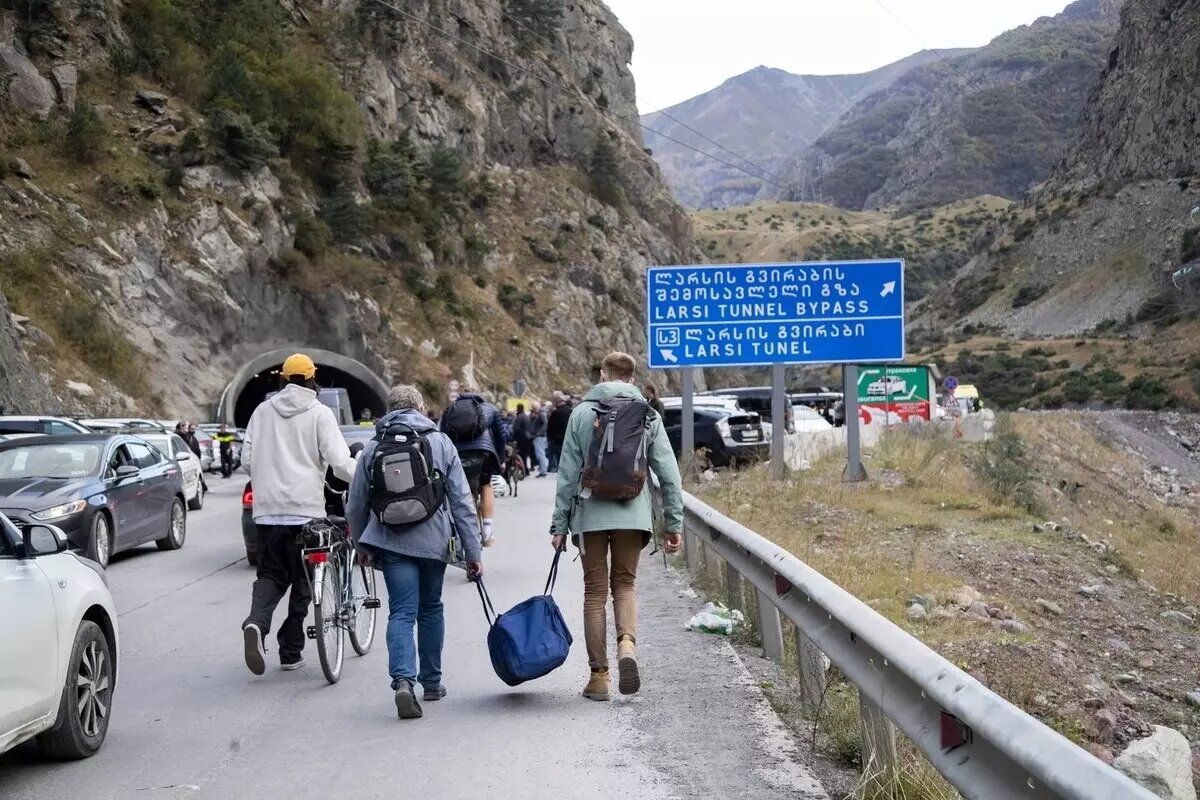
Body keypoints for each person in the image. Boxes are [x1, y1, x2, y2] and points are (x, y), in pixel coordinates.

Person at [550, 352, 683, 702]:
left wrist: (559, 525)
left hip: (589, 513)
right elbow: (669, 474)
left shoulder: (581, 414)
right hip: (632, 513)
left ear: (602, 373)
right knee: (624, 585)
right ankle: (627, 645)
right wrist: (673, 523)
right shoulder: (648, 414)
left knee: (594, 593)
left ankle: (599, 677)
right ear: (633, 379)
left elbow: (567, 475)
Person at [347, 384, 483, 720]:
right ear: (420, 407)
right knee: (431, 607)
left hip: (390, 540)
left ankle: (403, 681)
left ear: (389, 408)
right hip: (433, 541)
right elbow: (462, 501)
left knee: (401, 612)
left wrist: (360, 542)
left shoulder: (374, 446)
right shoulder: (439, 442)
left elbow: (356, 502)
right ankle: (432, 683)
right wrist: (473, 551)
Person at [240, 353, 356, 675]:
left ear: (282, 379)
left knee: (271, 576)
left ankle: (256, 623)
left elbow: (246, 462)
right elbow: (339, 462)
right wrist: (364, 477)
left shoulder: (262, 412)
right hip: (306, 513)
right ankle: (290, 652)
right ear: (311, 378)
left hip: (266, 515)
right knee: (306, 583)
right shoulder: (320, 413)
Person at [440, 391, 506, 547]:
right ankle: (488, 529)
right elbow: (501, 436)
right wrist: (501, 459)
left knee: (460, 491)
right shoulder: (490, 408)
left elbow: (442, 436)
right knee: (485, 485)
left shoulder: (449, 410)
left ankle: (463, 530)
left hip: (457, 455)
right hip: (483, 453)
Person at [547, 394, 572, 475]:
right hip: (569, 438)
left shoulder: (555, 413)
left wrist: (550, 438)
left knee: (559, 457)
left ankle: (561, 472)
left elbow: (550, 427)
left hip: (558, 439)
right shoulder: (570, 411)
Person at [530, 401, 549, 477]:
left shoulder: (541, 414)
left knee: (540, 454)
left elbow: (545, 423)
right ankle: (543, 469)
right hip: (541, 436)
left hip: (540, 437)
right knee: (541, 454)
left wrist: (539, 432)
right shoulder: (541, 414)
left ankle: (543, 471)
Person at [511, 403, 532, 472]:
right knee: (525, 455)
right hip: (527, 437)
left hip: (521, 438)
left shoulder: (519, 417)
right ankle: (526, 469)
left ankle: (523, 469)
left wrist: (513, 438)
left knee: (521, 454)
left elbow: (516, 428)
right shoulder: (526, 416)